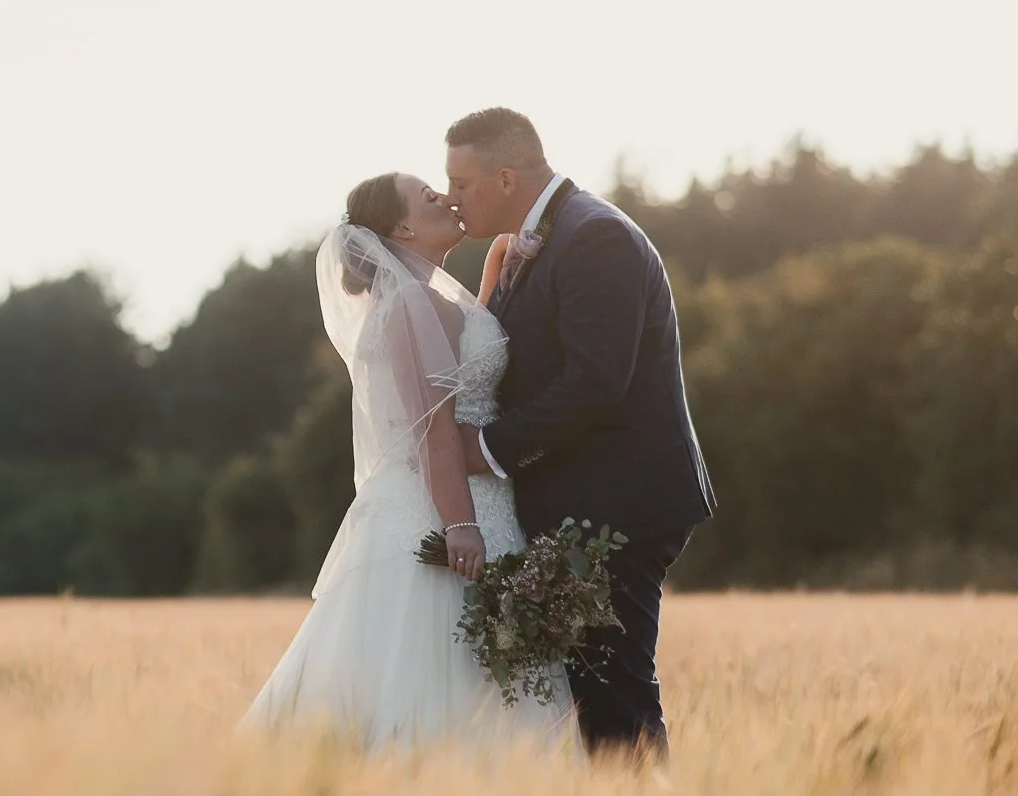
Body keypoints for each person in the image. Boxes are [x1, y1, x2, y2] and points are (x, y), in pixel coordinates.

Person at [241, 172, 572, 750]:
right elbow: (434, 432)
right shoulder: (409, 303)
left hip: (474, 501)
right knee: (434, 679)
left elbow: (472, 338)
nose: (445, 197)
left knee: (478, 686)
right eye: (428, 195)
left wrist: (499, 262)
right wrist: (461, 525)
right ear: (402, 227)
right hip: (438, 515)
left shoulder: (430, 295)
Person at [445, 107, 717, 757]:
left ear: (506, 177)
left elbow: (596, 381)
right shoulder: (532, 240)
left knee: (614, 698)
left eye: (462, 183)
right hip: (576, 507)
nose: (452, 198)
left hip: (613, 508)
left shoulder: (597, 237)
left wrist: (485, 449)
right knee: (584, 700)